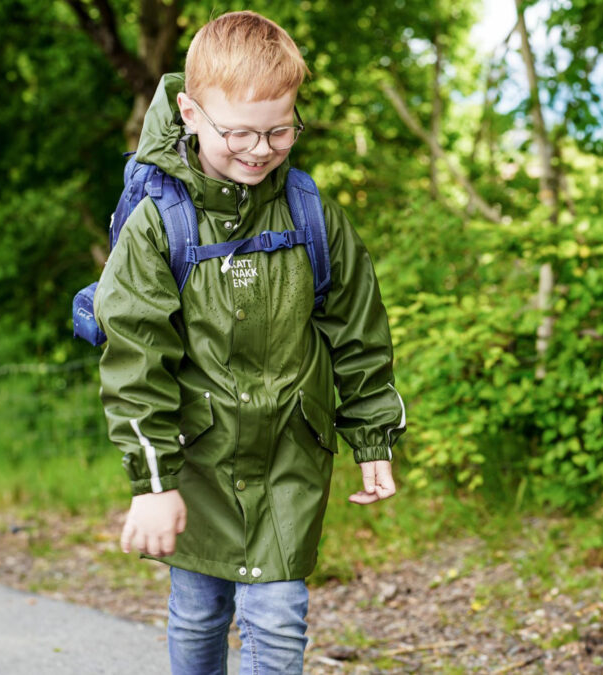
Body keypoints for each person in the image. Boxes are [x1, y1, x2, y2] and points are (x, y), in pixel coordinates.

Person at [93, 10, 406, 674]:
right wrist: (153, 482)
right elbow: (135, 356)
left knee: (278, 612)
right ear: (191, 111)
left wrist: (372, 435)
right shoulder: (159, 225)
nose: (260, 149)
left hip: (290, 449)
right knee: (201, 605)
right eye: (239, 131)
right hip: (197, 455)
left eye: (280, 130)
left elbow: (357, 329)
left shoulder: (312, 214)